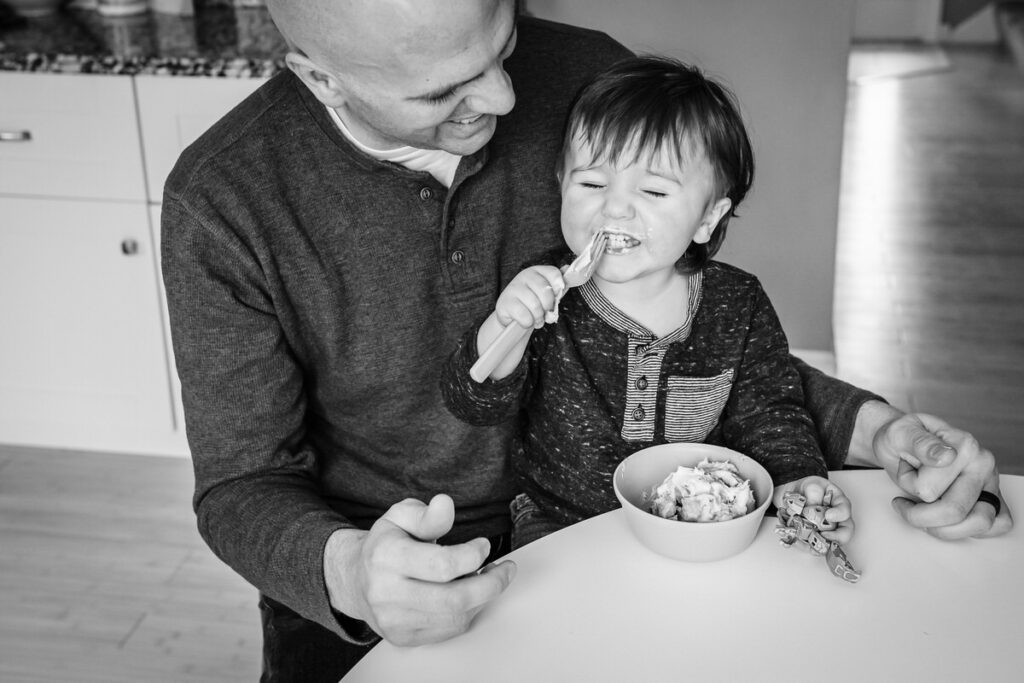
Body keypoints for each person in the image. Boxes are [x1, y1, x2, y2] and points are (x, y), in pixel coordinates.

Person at [159, 1, 1012, 680]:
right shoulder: (224, 199)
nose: (501, 98)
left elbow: (711, 347)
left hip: (622, 535)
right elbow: (241, 484)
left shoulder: (591, 78)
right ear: (322, 78)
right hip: (380, 569)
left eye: (504, 42)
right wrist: (349, 574)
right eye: (443, 92)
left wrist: (887, 434)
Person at [441, 55, 854, 548]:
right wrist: (507, 324)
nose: (614, 207)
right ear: (560, 185)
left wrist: (796, 482)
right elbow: (473, 403)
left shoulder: (737, 302)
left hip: (694, 525)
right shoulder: (546, 296)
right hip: (559, 522)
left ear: (707, 218)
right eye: (591, 183)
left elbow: (770, 413)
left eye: (654, 191)